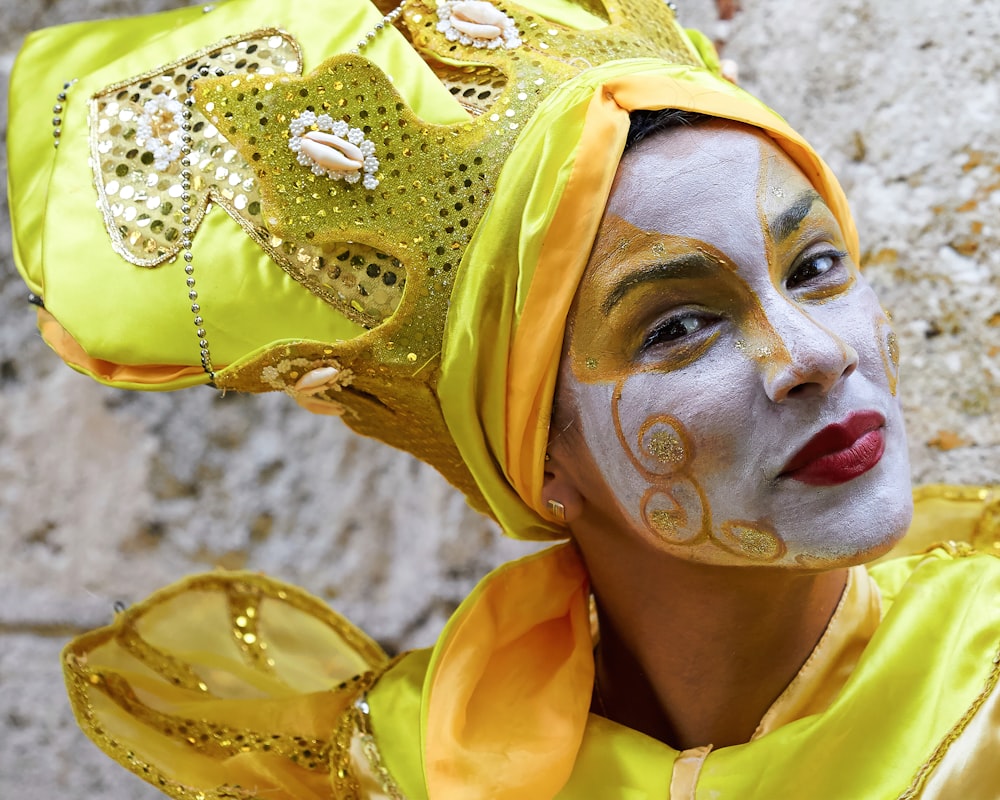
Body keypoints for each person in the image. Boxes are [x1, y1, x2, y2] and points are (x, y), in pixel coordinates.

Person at [8, 0, 998, 797]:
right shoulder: (405, 767)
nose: (813, 354)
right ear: (540, 457)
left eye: (817, 266)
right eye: (676, 326)